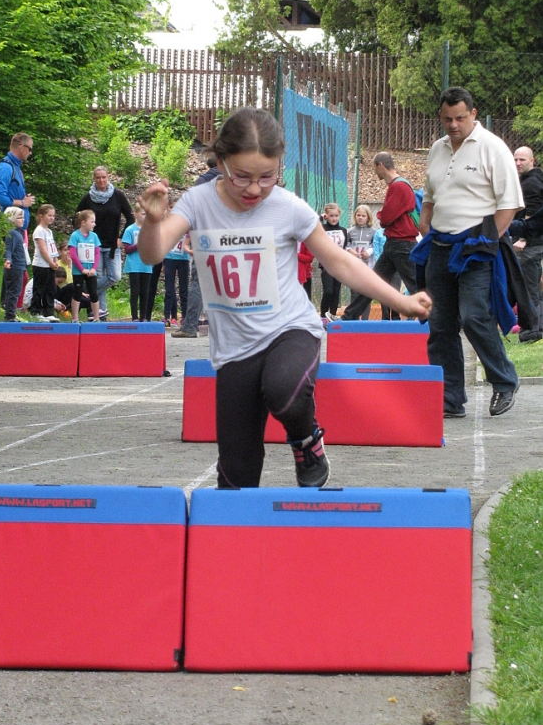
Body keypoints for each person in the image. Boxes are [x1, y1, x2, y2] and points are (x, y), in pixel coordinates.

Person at [137, 107, 431, 490]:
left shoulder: (287, 206)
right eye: (241, 177)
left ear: (280, 167)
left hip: (289, 330)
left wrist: (402, 301)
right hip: (234, 350)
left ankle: (306, 440)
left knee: (284, 391)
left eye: (267, 176)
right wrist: (154, 222)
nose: (255, 189)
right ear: (221, 162)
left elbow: (339, 262)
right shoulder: (197, 202)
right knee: (236, 476)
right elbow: (153, 253)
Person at [411, 86, 524, 419]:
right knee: (439, 323)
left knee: (474, 315)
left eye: (460, 117)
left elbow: (510, 203)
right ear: (440, 117)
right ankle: (449, 398)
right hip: (440, 246)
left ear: (473, 114)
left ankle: (504, 381)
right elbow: (429, 192)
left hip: (476, 247)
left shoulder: (493, 148)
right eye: (447, 118)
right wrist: (425, 221)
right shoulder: (437, 149)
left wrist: (488, 241)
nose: (454, 124)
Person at [341, 153, 419, 321]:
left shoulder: (398, 187)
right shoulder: (399, 186)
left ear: (380, 166)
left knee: (416, 285)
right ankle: (348, 316)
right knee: (373, 283)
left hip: (401, 244)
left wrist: (381, 216)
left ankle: (440, 319)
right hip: (394, 244)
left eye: (375, 168)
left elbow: (387, 218)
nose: (375, 172)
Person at [75, 166, 134, 321]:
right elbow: (77, 218)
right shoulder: (88, 198)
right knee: (98, 275)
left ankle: (85, 291)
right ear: (94, 179)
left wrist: (122, 237)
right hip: (93, 245)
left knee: (115, 276)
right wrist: (83, 236)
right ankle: (100, 313)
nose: (101, 180)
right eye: (98, 178)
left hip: (112, 245)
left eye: (104, 177)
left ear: (108, 178)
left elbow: (130, 217)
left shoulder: (117, 196)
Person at [171, 156, 219, 338]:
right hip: (228, 235)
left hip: (205, 235)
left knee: (197, 282)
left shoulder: (203, 181)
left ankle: (190, 326)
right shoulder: (234, 180)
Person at [0, 132, 35, 311]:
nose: (30, 153)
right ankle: (7, 307)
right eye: (30, 149)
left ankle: (10, 306)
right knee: (15, 269)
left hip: (19, 228)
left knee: (20, 270)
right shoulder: (5, 168)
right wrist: (22, 202)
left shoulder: (16, 167)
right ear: (21, 147)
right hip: (9, 226)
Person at [511, 146, 543, 342]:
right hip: (535, 243)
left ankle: (532, 330)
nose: (518, 163)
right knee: (533, 286)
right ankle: (535, 327)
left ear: (532, 161)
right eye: (515, 159)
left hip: (531, 245)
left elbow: (533, 211)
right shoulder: (532, 179)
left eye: (522, 160)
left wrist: (523, 239)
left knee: (528, 287)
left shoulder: (531, 183)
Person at [68, 210, 102, 323]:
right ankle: (75, 318)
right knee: (77, 292)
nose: (94, 224)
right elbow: (73, 253)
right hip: (79, 271)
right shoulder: (75, 236)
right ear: (83, 222)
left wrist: (93, 268)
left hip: (91, 270)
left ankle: (96, 317)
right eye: (92, 222)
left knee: (93, 293)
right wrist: (82, 269)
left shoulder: (94, 236)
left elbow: (97, 253)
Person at [343, 205, 375, 319]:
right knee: (355, 293)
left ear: (368, 217)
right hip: (354, 267)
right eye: (358, 215)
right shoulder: (350, 231)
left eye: (363, 216)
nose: (360, 218)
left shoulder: (373, 232)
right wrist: (350, 251)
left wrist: (368, 252)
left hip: (367, 267)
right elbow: (345, 246)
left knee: (366, 294)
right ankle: (353, 319)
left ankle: (365, 320)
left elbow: (375, 246)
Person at [30, 204, 60, 322]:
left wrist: (55, 260)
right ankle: (35, 310)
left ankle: (49, 311)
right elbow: (43, 249)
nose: (51, 218)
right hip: (41, 264)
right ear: (41, 216)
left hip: (50, 265)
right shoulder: (39, 231)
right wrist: (50, 262)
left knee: (50, 288)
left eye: (53, 216)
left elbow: (52, 248)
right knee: (39, 288)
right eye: (49, 215)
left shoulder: (49, 231)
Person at [122, 207, 152, 321]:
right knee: (135, 291)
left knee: (145, 291)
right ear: (136, 214)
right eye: (143, 214)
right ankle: (134, 316)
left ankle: (144, 316)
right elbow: (127, 249)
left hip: (146, 265)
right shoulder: (130, 230)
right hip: (134, 264)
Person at [319, 203, 347, 319]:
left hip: (339, 265)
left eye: (336, 215)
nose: (334, 218)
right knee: (328, 292)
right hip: (326, 264)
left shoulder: (343, 231)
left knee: (336, 293)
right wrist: (321, 217)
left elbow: (345, 247)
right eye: (331, 216)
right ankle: (323, 317)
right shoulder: (322, 229)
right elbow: (311, 223)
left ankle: (332, 316)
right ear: (327, 216)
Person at [163, 213, 190, 327]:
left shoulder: (187, 224)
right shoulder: (169, 224)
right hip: (170, 258)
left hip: (183, 259)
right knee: (169, 288)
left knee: (184, 289)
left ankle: (184, 316)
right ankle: (167, 316)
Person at [2, 207, 27, 322]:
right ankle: (10, 314)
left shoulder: (19, 233)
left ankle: (11, 312)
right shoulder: (12, 233)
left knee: (16, 290)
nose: (23, 219)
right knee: (14, 290)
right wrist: (8, 260)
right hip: (15, 266)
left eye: (23, 217)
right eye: (19, 217)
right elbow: (8, 249)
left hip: (20, 266)